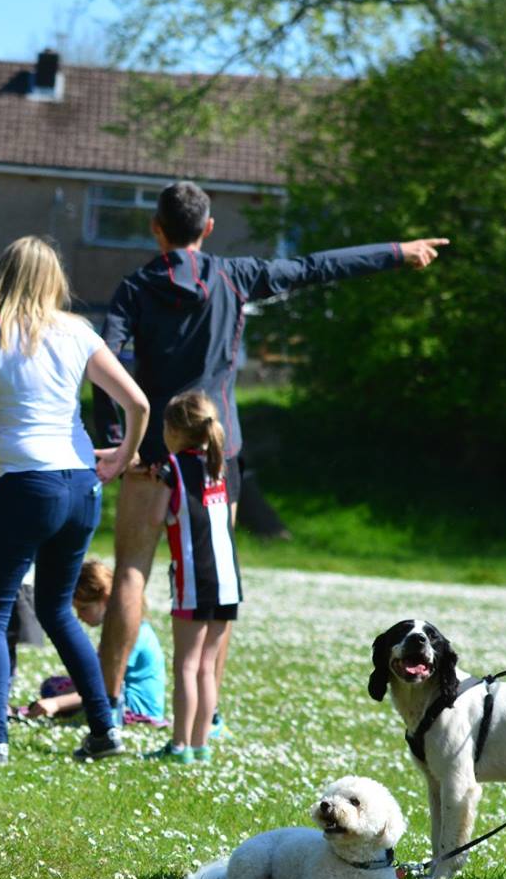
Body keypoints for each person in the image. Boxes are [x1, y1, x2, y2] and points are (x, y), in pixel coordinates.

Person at [95, 180, 447, 710]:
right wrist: (396, 252)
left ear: (156, 228)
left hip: (152, 455)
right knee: (216, 588)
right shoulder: (236, 277)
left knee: (131, 574)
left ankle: (106, 708)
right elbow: (313, 268)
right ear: (208, 228)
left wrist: (118, 442)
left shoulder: (135, 288)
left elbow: (106, 361)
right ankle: (205, 715)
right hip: (218, 457)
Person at [0, 236, 150, 765]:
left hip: (26, 484)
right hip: (80, 483)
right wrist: (123, 456)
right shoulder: (78, 332)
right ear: (54, 279)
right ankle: (104, 729)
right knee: (58, 610)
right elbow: (138, 402)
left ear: (3, 277)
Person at [146, 391, 241, 764]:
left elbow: (157, 519)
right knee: (207, 665)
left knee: (186, 664)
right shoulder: (225, 465)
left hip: (192, 578)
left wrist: (157, 485)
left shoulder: (172, 468)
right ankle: (201, 744)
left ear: (173, 430)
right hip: (228, 582)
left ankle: (179, 745)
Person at [24, 560, 167, 725]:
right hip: (114, 693)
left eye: (83, 608)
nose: (79, 616)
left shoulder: (128, 633)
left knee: (64, 693)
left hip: (135, 709)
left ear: (106, 600)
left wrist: (57, 703)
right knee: (52, 685)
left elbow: (103, 686)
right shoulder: (117, 628)